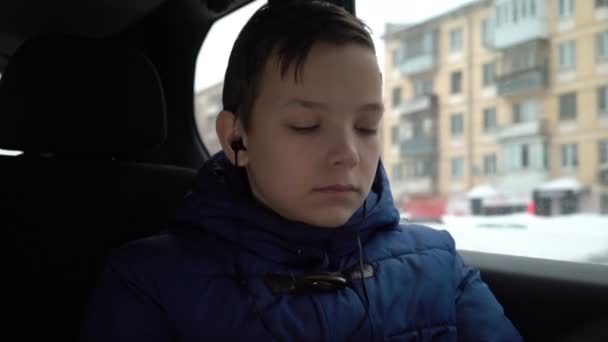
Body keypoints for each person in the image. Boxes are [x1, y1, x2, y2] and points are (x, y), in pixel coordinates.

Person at [80, 1, 522, 341]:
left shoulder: (438, 264)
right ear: (237, 139)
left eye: (367, 126)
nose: (348, 153)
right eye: (306, 126)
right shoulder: (150, 282)